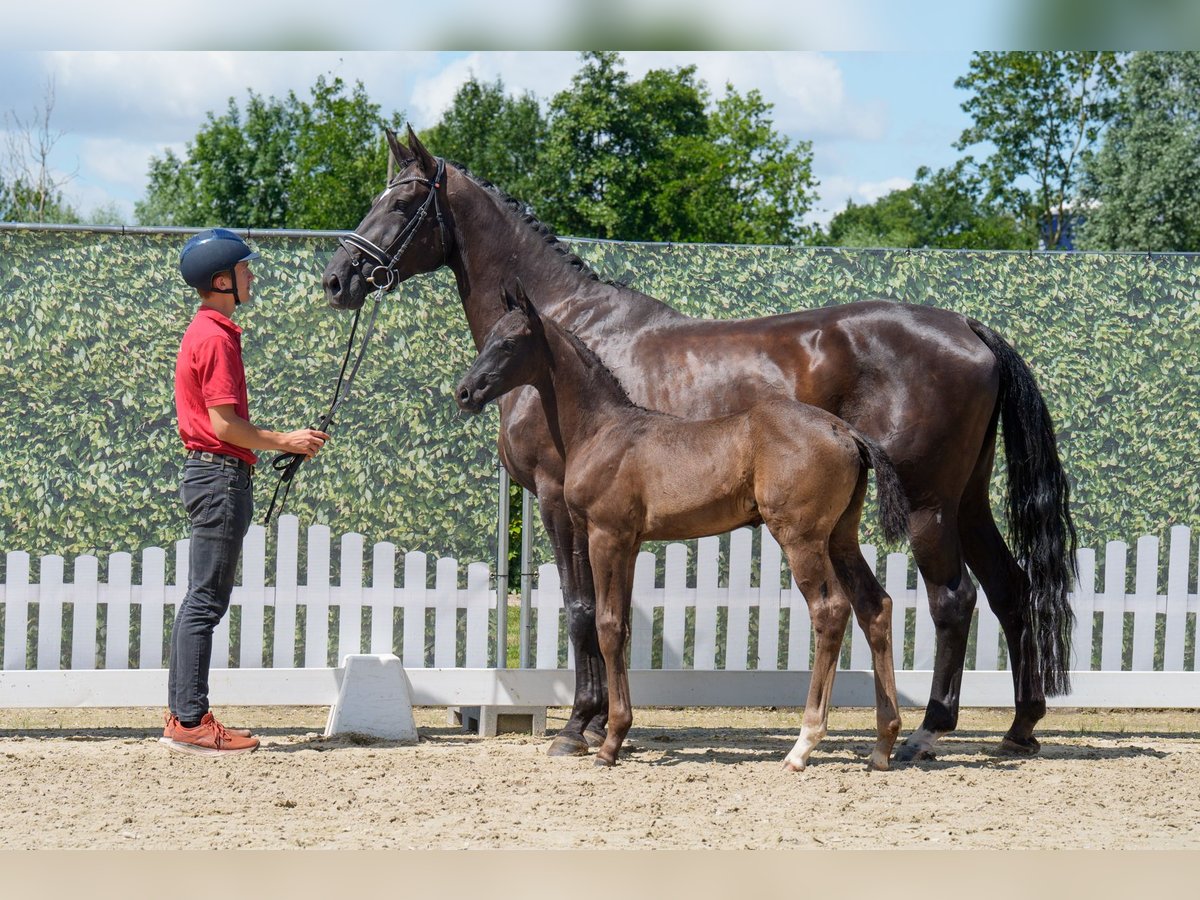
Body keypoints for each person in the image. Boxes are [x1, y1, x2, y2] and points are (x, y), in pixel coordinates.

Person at [161, 228, 329, 756]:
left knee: (203, 599)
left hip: (213, 476)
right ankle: (188, 720)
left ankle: (186, 715)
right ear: (221, 280)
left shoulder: (210, 330)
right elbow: (226, 425)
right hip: (219, 477)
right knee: (205, 601)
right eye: (244, 269)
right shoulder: (215, 337)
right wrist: (290, 441)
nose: (251, 275)